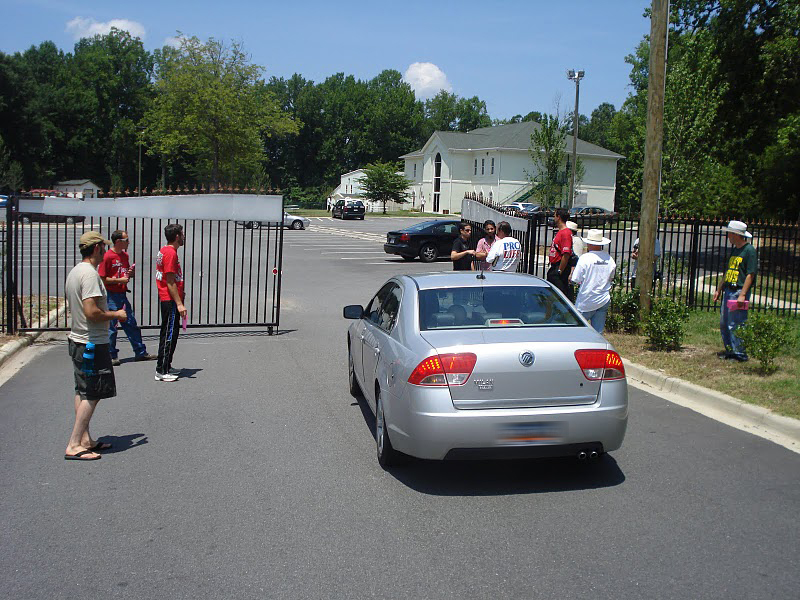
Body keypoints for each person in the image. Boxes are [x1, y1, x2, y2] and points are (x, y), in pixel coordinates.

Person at [64, 231, 128, 460]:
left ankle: (84, 439)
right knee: (94, 391)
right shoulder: (90, 275)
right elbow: (92, 312)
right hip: (91, 342)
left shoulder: (75, 272)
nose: (105, 251)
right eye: (103, 247)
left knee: (82, 389)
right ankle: (74, 443)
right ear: (96, 249)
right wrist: (115, 314)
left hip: (79, 340)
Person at [98, 230, 156, 366]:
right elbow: (102, 278)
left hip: (122, 294)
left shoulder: (124, 255)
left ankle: (140, 352)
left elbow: (125, 273)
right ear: (118, 242)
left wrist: (130, 274)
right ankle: (111, 355)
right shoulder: (107, 257)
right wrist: (118, 280)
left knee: (130, 323)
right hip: (111, 294)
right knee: (112, 326)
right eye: (126, 240)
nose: (129, 242)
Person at [712, 220, 757, 362]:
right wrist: (719, 289)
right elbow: (728, 271)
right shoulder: (735, 250)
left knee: (736, 323)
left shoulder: (749, 251)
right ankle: (730, 350)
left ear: (736, 234)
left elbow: (750, 274)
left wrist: (743, 294)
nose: (728, 236)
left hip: (738, 291)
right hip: (728, 290)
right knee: (725, 323)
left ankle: (740, 354)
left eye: (730, 233)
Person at [155, 223, 187, 382]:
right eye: (182, 234)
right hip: (169, 300)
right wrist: (179, 303)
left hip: (170, 298)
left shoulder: (166, 250)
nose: (183, 237)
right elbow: (169, 281)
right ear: (177, 237)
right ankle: (161, 369)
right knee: (168, 334)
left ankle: (166, 365)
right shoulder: (170, 253)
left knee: (171, 333)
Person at [570, 229, 617, 333]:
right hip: (603, 298)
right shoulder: (609, 258)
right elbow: (611, 277)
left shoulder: (585, 258)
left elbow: (576, 279)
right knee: (598, 332)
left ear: (589, 243)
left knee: (577, 329)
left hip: (587, 299)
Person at [547, 208, 573, 299]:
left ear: (558, 217)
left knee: (559, 297)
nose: (554, 218)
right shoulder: (560, 232)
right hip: (554, 267)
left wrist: (560, 271)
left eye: (554, 216)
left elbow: (566, 254)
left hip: (558, 268)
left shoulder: (565, 233)